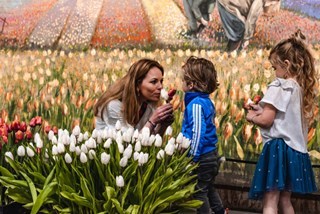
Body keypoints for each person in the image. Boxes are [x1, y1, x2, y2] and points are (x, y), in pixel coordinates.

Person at [246, 30, 318, 213]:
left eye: (274, 67)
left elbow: (268, 120)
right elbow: (282, 116)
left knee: (270, 200)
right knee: (286, 200)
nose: (274, 72)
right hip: (294, 151)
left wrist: (252, 117)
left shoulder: (279, 85)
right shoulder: (298, 89)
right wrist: (261, 110)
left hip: (278, 149)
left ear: (286, 65)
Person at [181, 56, 225, 214]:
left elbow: (197, 133)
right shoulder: (206, 102)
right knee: (208, 188)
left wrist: (192, 157)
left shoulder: (196, 105)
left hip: (202, 157)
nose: (181, 84)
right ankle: (220, 211)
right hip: (210, 154)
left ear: (191, 84)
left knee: (199, 192)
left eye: (183, 80)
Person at [94, 58, 174, 135]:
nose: (160, 86)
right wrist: (152, 121)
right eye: (154, 82)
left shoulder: (148, 105)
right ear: (137, 84)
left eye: (161, 81)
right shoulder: (113, 106)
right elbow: (127, 143)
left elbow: (150, 143)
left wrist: (163, 125)